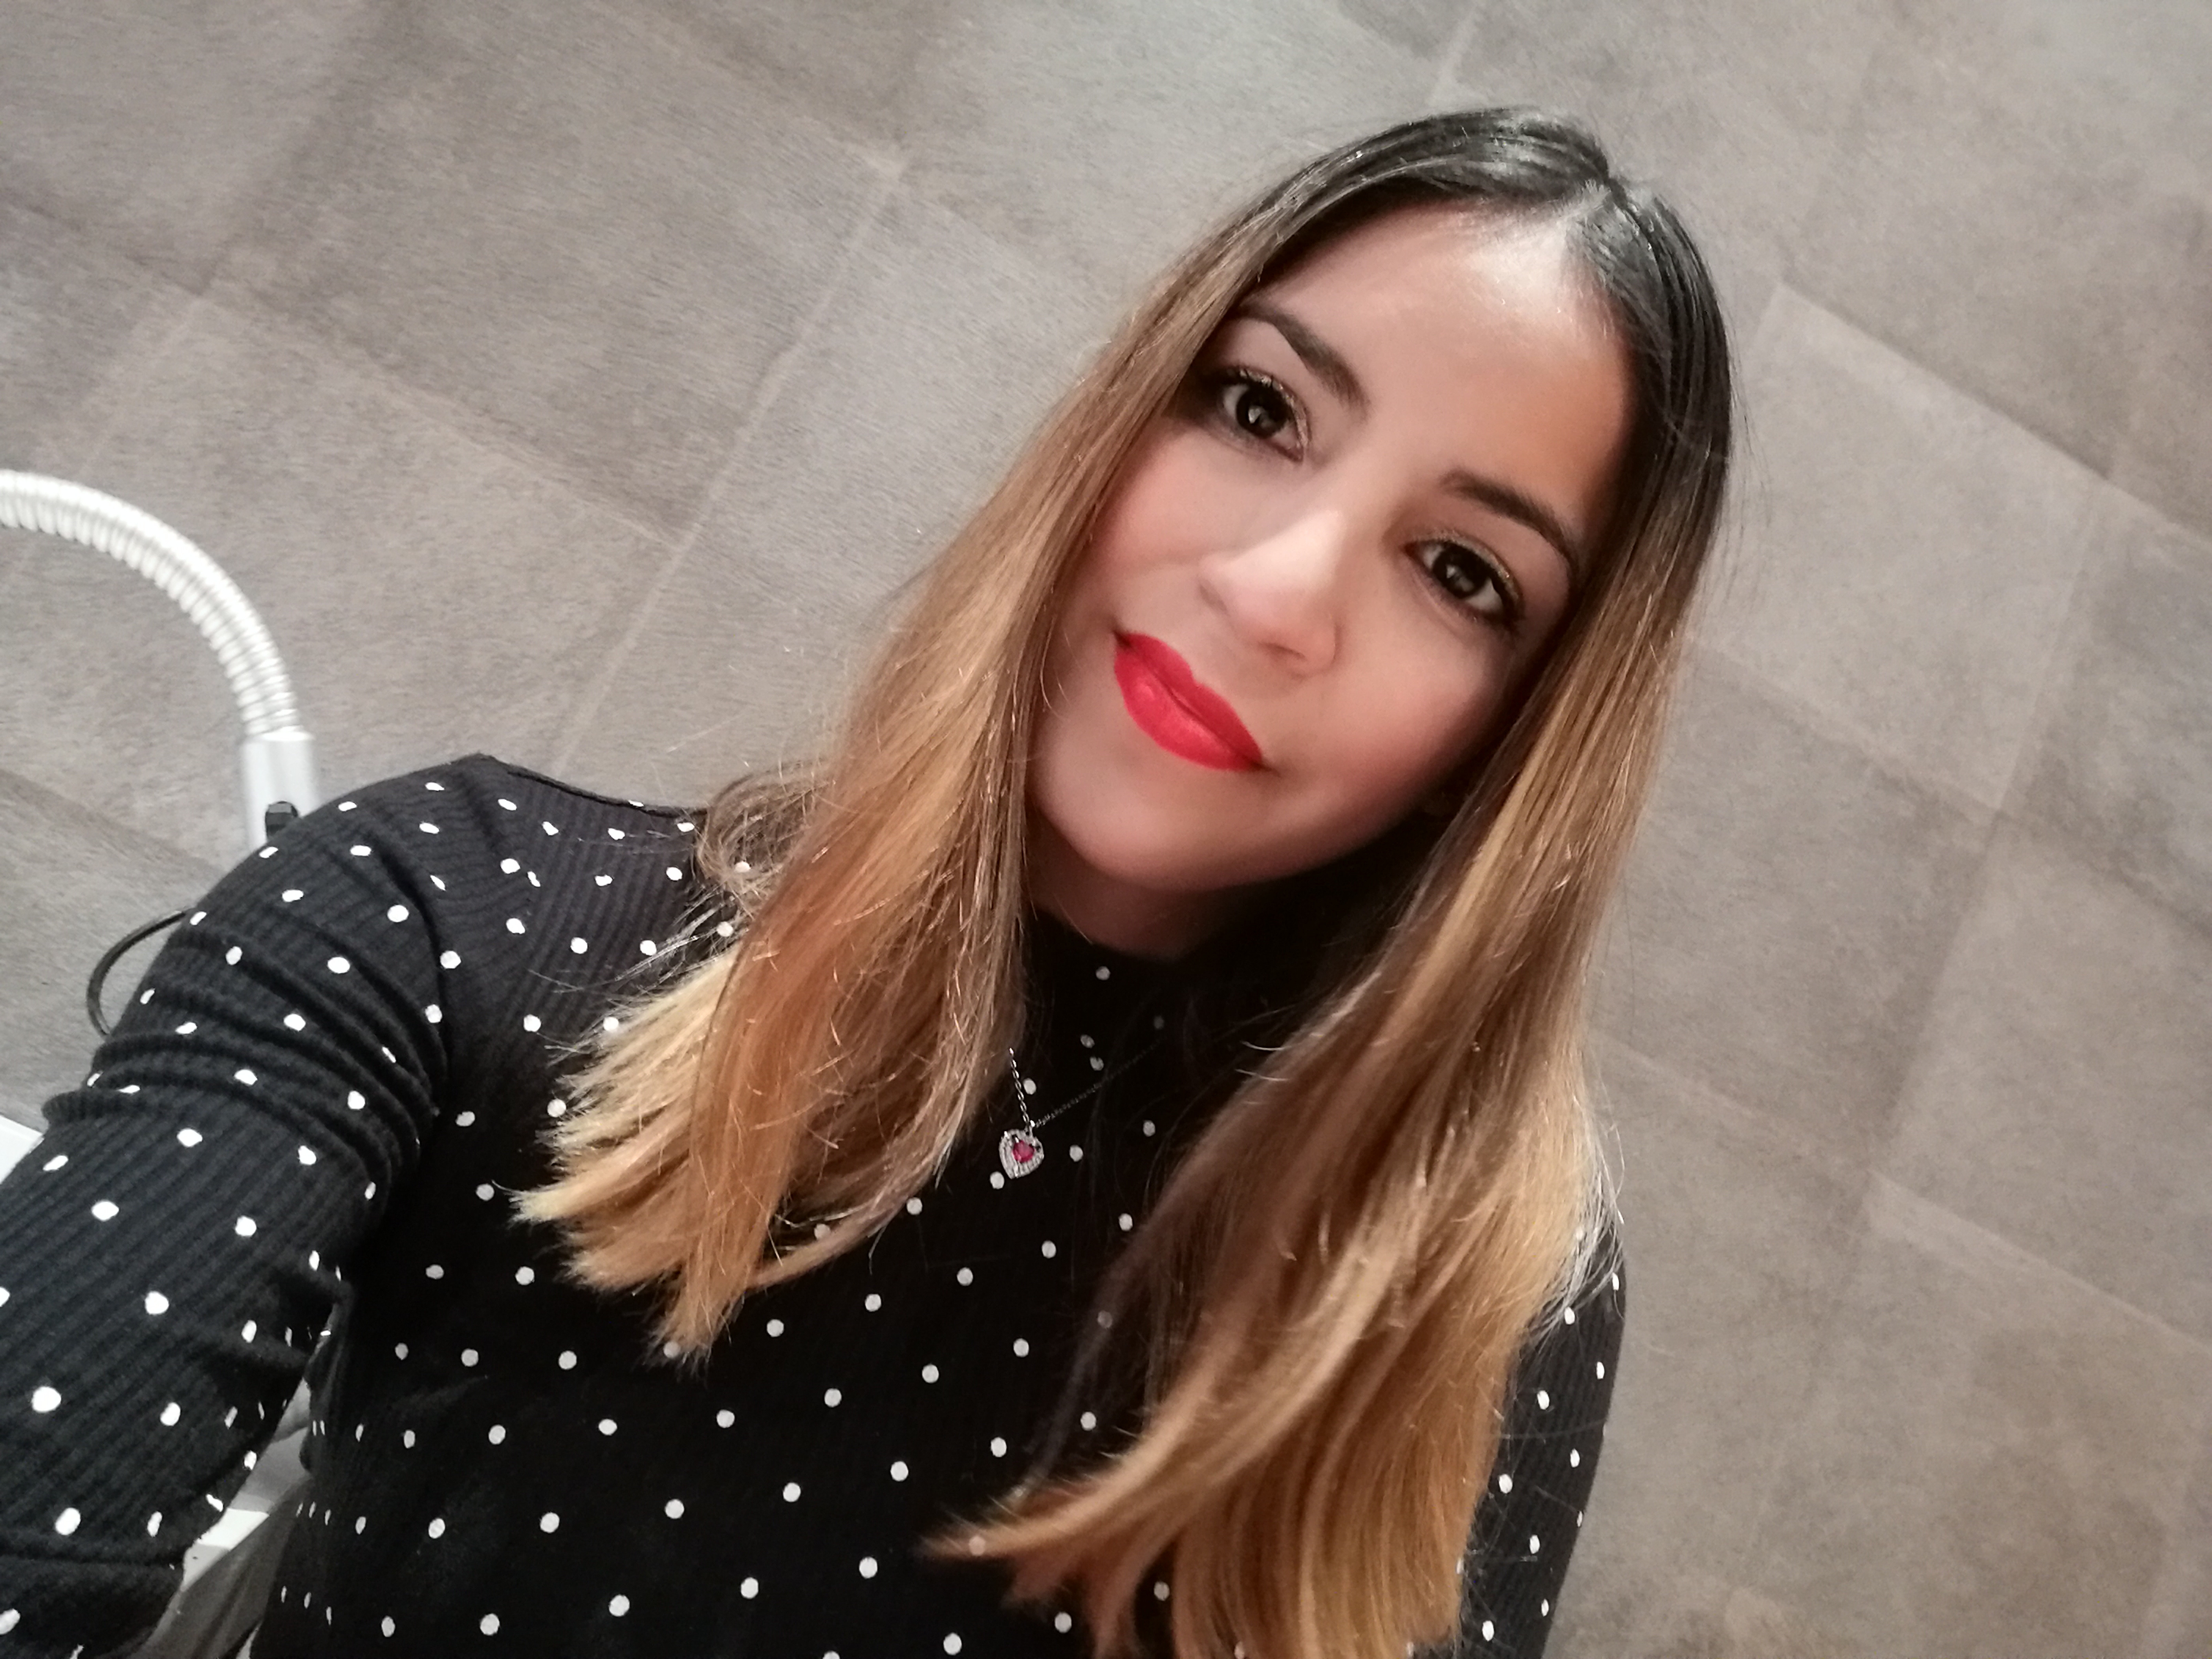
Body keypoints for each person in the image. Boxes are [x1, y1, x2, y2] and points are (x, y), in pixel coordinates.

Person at [0, 106, 1732, 1659]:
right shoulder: (449, 905)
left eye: (1459, 571)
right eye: (1259, 408)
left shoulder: (1473, 1286)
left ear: (1513, 739)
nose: (1279, 590)